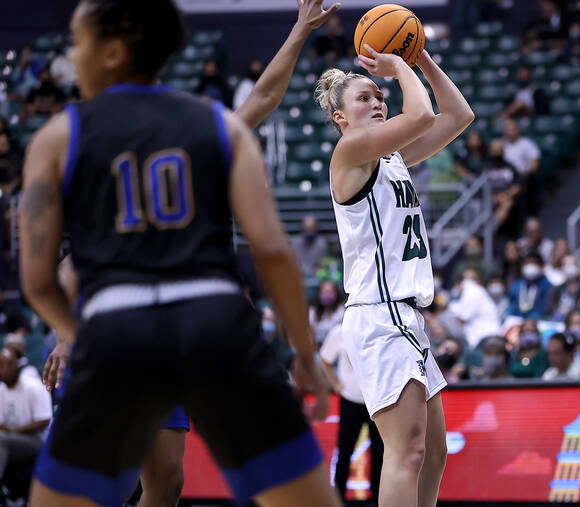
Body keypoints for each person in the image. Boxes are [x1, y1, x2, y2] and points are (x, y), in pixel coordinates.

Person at [20, 1, 343, 505]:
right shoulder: (219, 127)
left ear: (111, 51)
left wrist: (80, 336)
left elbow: (36, 281)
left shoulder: (58, 137)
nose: (71, 55)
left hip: (119, 330)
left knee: (133, 487)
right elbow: (274, 251)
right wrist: (302, 351)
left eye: (78, 43)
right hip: (215, 327)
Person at [318, 33, 473, 505]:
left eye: (380, 95)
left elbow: (459, 115)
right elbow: (422, 114)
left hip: (406, 316)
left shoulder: (391, 158)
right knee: (406, 453)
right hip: (378, 314)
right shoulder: (350, 154)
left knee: (434, 452)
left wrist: (421, 57)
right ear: (339, 117)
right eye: (365, 97)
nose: (378, 100)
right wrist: (396, 66)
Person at [320, 326, 383, 503]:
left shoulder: (380, 327)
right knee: (345, 451)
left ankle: (377, 498)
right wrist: (335, 384)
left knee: (380, 452)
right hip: (350, 400)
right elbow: (325, 360)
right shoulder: (339, 332)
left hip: (376, 401)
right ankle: (338, 499)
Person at [0, 348, 52, 483]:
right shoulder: (1, 390)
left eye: (9, 364)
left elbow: (44, 420)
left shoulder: (32, 386)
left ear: (18, 365)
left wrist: (14, 430)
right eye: (1, 365)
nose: (4, 369)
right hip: (11, 440)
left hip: (37, 442)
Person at [447, 269, 501, 349]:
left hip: (488, 338)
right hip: (478, 339)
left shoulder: (475, 291)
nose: (467, 282)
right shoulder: (464, 295)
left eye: (471, 279)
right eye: (465, 278)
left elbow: (462, 319)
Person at [506, 252, 553, 319]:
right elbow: (511, 306)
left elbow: (546, 307)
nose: (530, 266)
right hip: (517, 320)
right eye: (528, 263)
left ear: (541, 267)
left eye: (534, 263)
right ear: (522, 266)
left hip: (539, 321)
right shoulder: (516, 285)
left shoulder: (546, 285)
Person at [547, 256, 580, 320]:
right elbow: (550, 303)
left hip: (575, 314)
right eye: (567, 265)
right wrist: (558, 309)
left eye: (572, 265)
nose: (570, 268)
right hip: (559, 314)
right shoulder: (557, 286)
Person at [310, 279, 345, 345]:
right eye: (324, 292)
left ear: (336, 294)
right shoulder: (313, 312)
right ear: (319, 294)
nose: (327, 295)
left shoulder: (342, 311)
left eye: (330, 292)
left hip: (336, 346)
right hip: (317, 346)